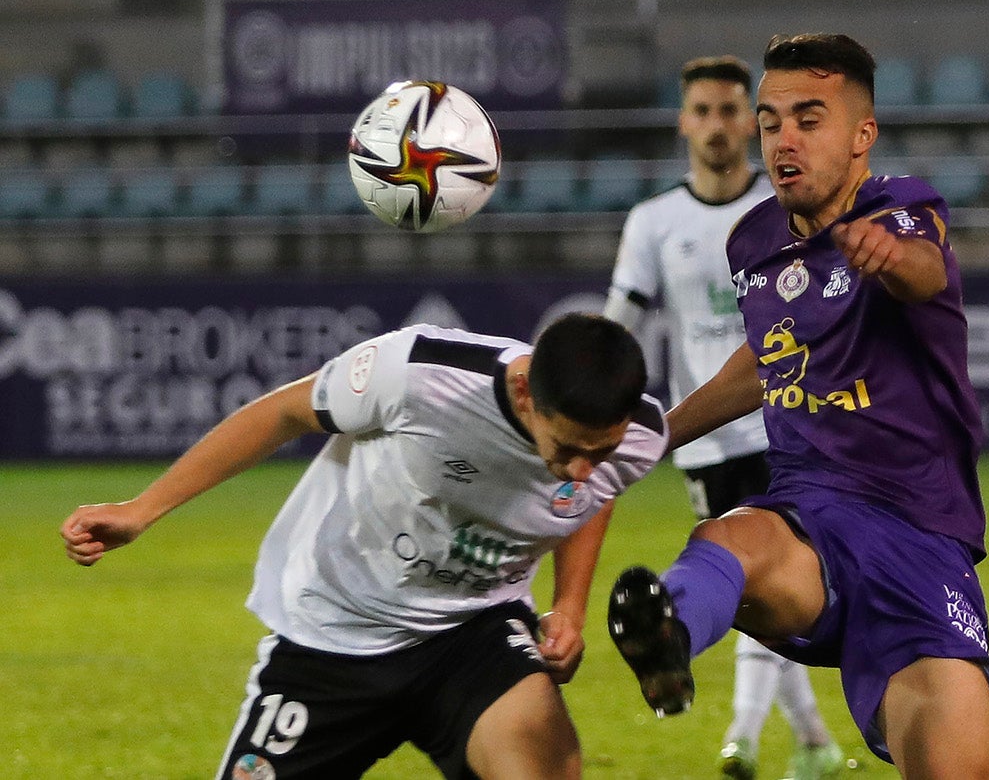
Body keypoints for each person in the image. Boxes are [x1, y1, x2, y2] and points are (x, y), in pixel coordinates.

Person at [605, 33, 989, 780]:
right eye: (770, 120)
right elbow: (765, 359)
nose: (783, 140)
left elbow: (923, 271)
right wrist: (652, 437)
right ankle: (669, 636)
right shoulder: (753, 241)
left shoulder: (905, 209)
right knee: (727, 539)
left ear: (861, 135)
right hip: (807, 515)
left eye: (808, 120)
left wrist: (886, 256)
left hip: (918, 533)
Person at [60, 313, 667, 780]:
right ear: (527, 394)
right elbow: (282, 414)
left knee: (545, 763)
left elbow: (591, 494)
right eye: (568, 448)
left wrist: (569, 604)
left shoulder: (636, 435)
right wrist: (141, 510)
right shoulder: (420, 374)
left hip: (473, 635)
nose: (583, 470)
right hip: (335, 633)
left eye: (602, 451)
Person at [604, 55, 844, 780]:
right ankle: (808, 744)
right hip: (710, 439)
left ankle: (752, 740)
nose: (717, 125)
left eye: (731, 110)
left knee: (759, 579)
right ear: (685, 121)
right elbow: (622, 326)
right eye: (703, 111)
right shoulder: (653, 221)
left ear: (752, 119)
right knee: (758, 585)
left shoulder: (788, 207)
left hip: (792, 428)